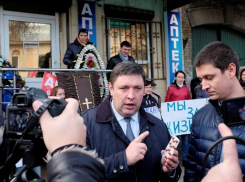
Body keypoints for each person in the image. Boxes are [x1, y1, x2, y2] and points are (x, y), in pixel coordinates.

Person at [82, 61, 181, 182]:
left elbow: (169, 177)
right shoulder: (85, 124)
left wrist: (170, 171)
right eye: (124, 88)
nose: (131, 96)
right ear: (111, 89)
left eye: (137, 88)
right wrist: (123, 160)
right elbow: (77, 174)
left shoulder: (159, 126)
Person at [184, 41, 245, 182]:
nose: (203, 86)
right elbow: (191, 169)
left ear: (231, 70)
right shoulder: (199, 117)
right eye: (200, 79)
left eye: (209, 78)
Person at [164, 70, 191, 167]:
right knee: (174, 139)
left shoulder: (186, 88)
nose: (180, 79)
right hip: (175, 119)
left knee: (186, 140)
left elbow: (189, 101)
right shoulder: (171, 88)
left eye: (182, 77)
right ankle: (171, 159)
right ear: (175, 78)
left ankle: (185, 158)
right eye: (179, 77)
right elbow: (167, 101)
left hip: (184, 119)